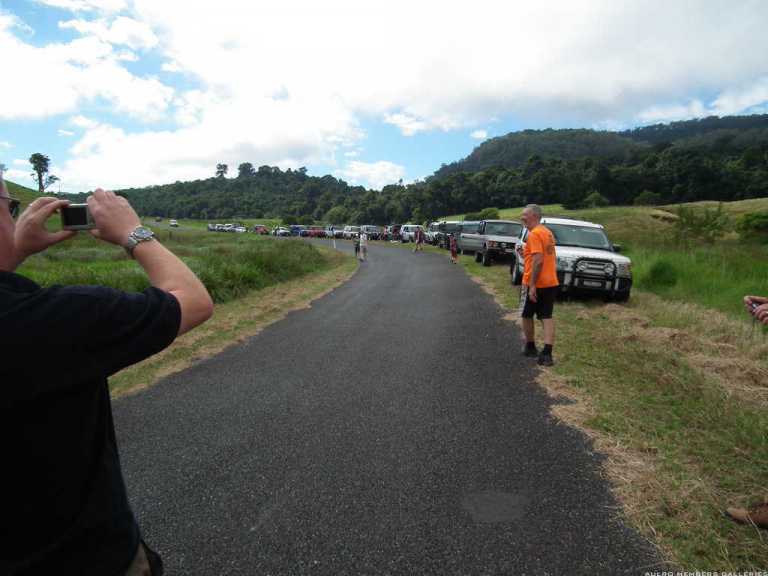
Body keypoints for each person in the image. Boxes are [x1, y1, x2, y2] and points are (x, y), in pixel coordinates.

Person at [1, 180, 214, 575]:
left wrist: (11, 253)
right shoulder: (52, 320)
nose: (12, 215)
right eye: (9, 206)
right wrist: (134, 233)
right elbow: (193, 301)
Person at [519, 204, 559, 366]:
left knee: (526, 314)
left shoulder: (534, 234)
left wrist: (533, 286)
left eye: (525, 215)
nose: (522, 218)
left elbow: (538, 261)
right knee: (546, 316)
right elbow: (539, 256)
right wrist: (525, 253)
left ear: (534, 216)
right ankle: (547, 353)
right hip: (551, 282)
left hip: (533, 283)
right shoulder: (547, 233)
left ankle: (530, 347)